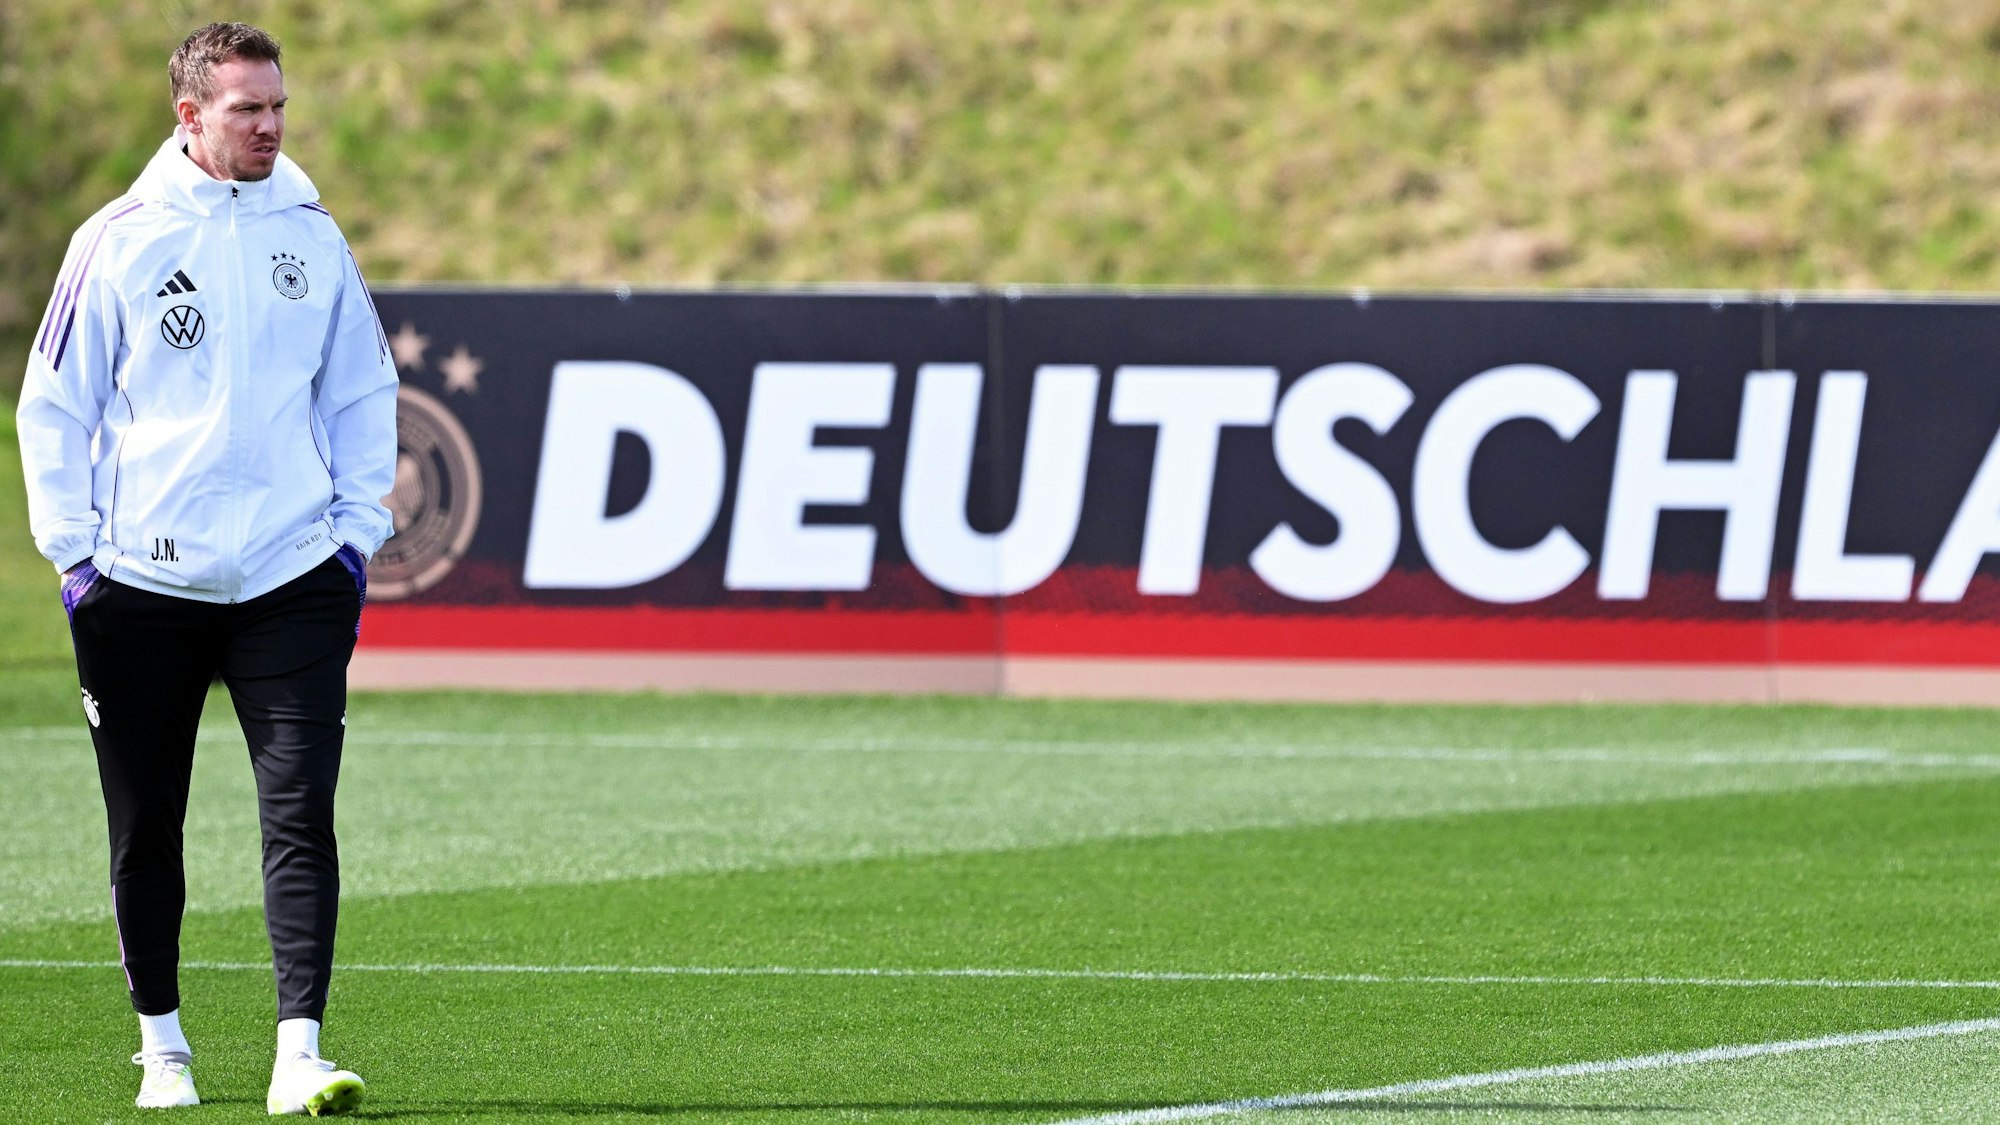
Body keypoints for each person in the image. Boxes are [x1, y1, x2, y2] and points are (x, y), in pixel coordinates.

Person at [16, 21, 396, 1115]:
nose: (270, 124)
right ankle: (165, 1050)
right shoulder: (118, 239)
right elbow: (53, 405)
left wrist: (353, 537)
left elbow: (362, 391)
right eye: (246, 108)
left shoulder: (313, 238)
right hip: (139, 587)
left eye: (278, 104)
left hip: (293, 580)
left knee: (299, 814)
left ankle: (298, 1054)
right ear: (191, 117)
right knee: (146, 825)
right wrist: (77, 559)